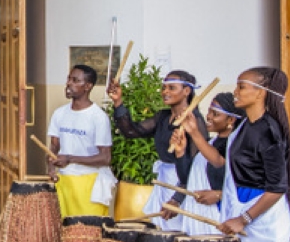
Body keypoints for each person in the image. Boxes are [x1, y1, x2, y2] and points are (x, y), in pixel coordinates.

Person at [216, 67, 290, 242]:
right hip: (243, 208)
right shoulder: (245, 125)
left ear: (260, 92)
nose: (235, 91)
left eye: (241, 87)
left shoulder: (269, 131)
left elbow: (277, 188)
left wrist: (244, 219)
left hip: (265, 221)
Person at [109, 70, 207, 231]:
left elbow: (195, 167)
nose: (165, 92)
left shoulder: (195, 122)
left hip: (184, 185)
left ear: (187, 91)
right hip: (165, 182)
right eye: (164, 88)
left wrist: (177, 198)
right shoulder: (163, 116)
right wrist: (118, 102)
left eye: (171, 88)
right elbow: (132, 132)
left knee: (179, 235)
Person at [46, 65, 115, 218]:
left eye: (75, 80)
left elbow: (105, 158)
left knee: (87, 234)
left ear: (88, 86)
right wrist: (51, 168)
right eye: (69, 79)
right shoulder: (59, 114)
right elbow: (54, 146)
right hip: (64, 181)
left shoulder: (98, 117)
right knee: (65, 232)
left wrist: (70, 159)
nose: (69, 83)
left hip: (89, 183)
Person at [177, 92, 244, 235]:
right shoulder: (209, 144)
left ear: (231, 120)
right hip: (198, 219)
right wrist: (180, 153)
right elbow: (186, 179)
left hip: (220, 220)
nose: (208, 117)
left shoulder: (236, 148)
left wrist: (219, 195)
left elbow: (219, 162)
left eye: (215, 114)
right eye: (209, 111)